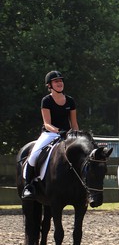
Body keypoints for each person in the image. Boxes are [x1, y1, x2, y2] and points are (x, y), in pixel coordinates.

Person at [22, 70, 79, 199]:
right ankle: (28, 186)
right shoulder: (46, 100)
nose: (60, 83)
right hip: (50, 134)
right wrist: (59, 131)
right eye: (56, 81)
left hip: (68, 135)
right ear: (49, 85)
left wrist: (76, 134)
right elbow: (47, 124)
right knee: (34, 155)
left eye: (61, 81)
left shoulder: (70, 101)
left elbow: (74, 123)